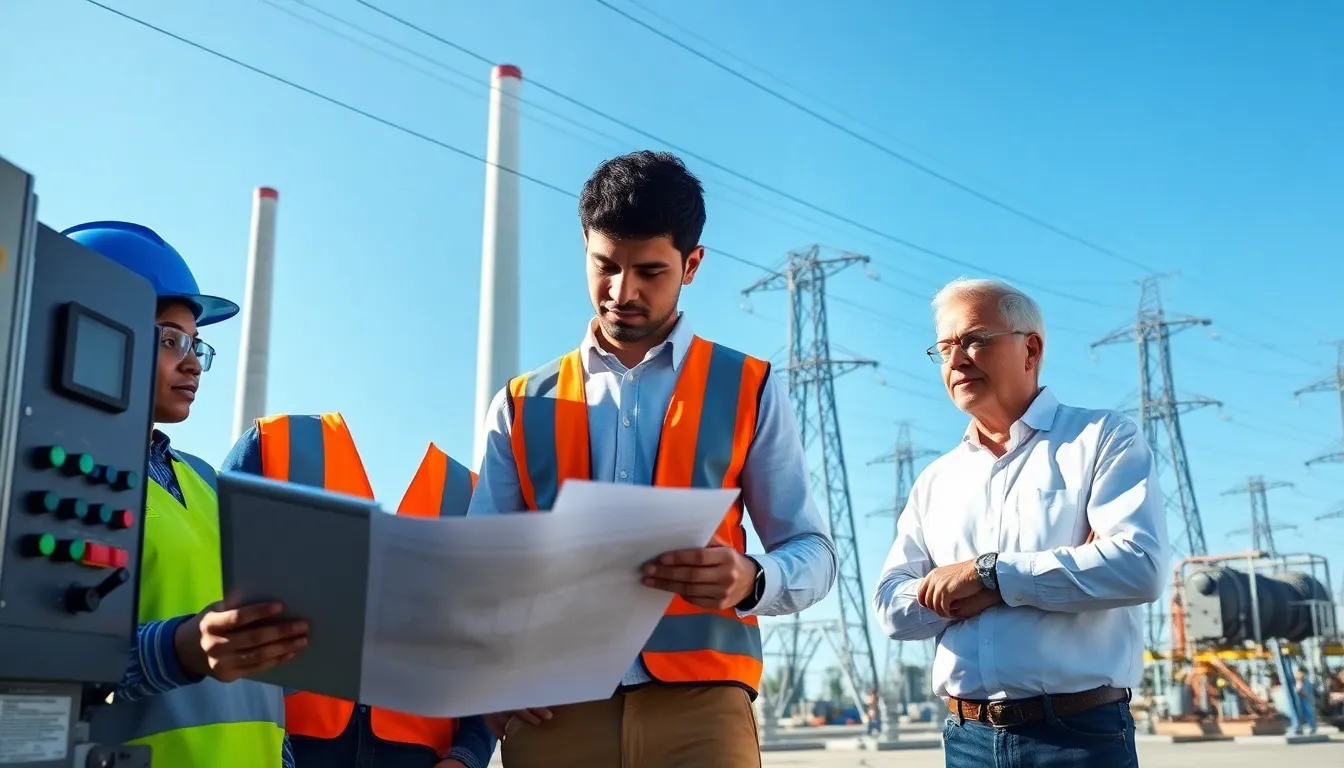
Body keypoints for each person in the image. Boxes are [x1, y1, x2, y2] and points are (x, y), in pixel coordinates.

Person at [469, 150, 838, 767]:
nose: (623, 291)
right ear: (584, 247)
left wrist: (751, 580)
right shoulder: (518, 402)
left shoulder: (748, 386)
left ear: (692, 265)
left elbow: (814, 551)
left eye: (649, 271)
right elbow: (480, 564)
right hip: (552, 705)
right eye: (605, 266)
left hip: (702, 705)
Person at [871, 277, 1168, 767]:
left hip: (1078, 738)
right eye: (944, 347)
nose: (956, 359)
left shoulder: (1099, 440)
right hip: (967, 741)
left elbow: (1137, 566)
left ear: (1031, 349)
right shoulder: (936, 479)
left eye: (975, 340)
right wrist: (1041, 576)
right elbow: (891, 608)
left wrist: (989, 575)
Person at [66, 221, 307, 767]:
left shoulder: (207, 482)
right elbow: (41, 657)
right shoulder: (43, 475)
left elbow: (258, 680)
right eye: (171, 339)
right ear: (97, 329)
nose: (194, 361)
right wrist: (179, 648)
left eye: (197, 344)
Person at [220, 412, 496, 768]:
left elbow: (488, 651)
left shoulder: (469, 494)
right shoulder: (274, 444)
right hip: (287, 745)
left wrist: (467, 756)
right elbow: (213, 591)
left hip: (423, 756)